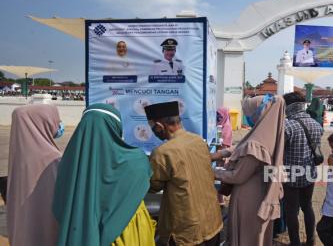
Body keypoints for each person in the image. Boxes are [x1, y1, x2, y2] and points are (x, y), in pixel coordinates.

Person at [53, 104, 155, 246]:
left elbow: (60, 205)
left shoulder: (69, 162)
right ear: (115, 127)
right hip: (126, 233)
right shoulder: (136, 160)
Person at [145, 101, 223, 246]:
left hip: (186, 230)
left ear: (160, 126)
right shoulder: (198, 141)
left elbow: (153, 185)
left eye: (152, 127)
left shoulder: (163, 152)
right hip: (212, 221)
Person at [213, 94, 285, 246]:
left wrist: (212, 172)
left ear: (259, 113)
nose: (248, 118)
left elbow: (237, 176)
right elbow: (241, 147)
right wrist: (222, 153)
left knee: (246, 236)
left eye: (249, 113)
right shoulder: (269, 134)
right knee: (256, 237)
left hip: (249, 198)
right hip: (261, 192)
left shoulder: (256, 142)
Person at [7, 104, 63, 246]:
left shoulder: (18, 154)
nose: (59, 125)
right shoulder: (54, 159)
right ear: (43, 123)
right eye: (55, 121)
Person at [282, 92, 323, 246]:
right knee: (307, 206)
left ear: (288, 107)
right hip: (310, 173)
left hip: (291, 175)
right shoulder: (316, 124)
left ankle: (295, 242)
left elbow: (279, 150)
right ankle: (311, 240)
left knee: (291, 210)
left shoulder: (287, 125)